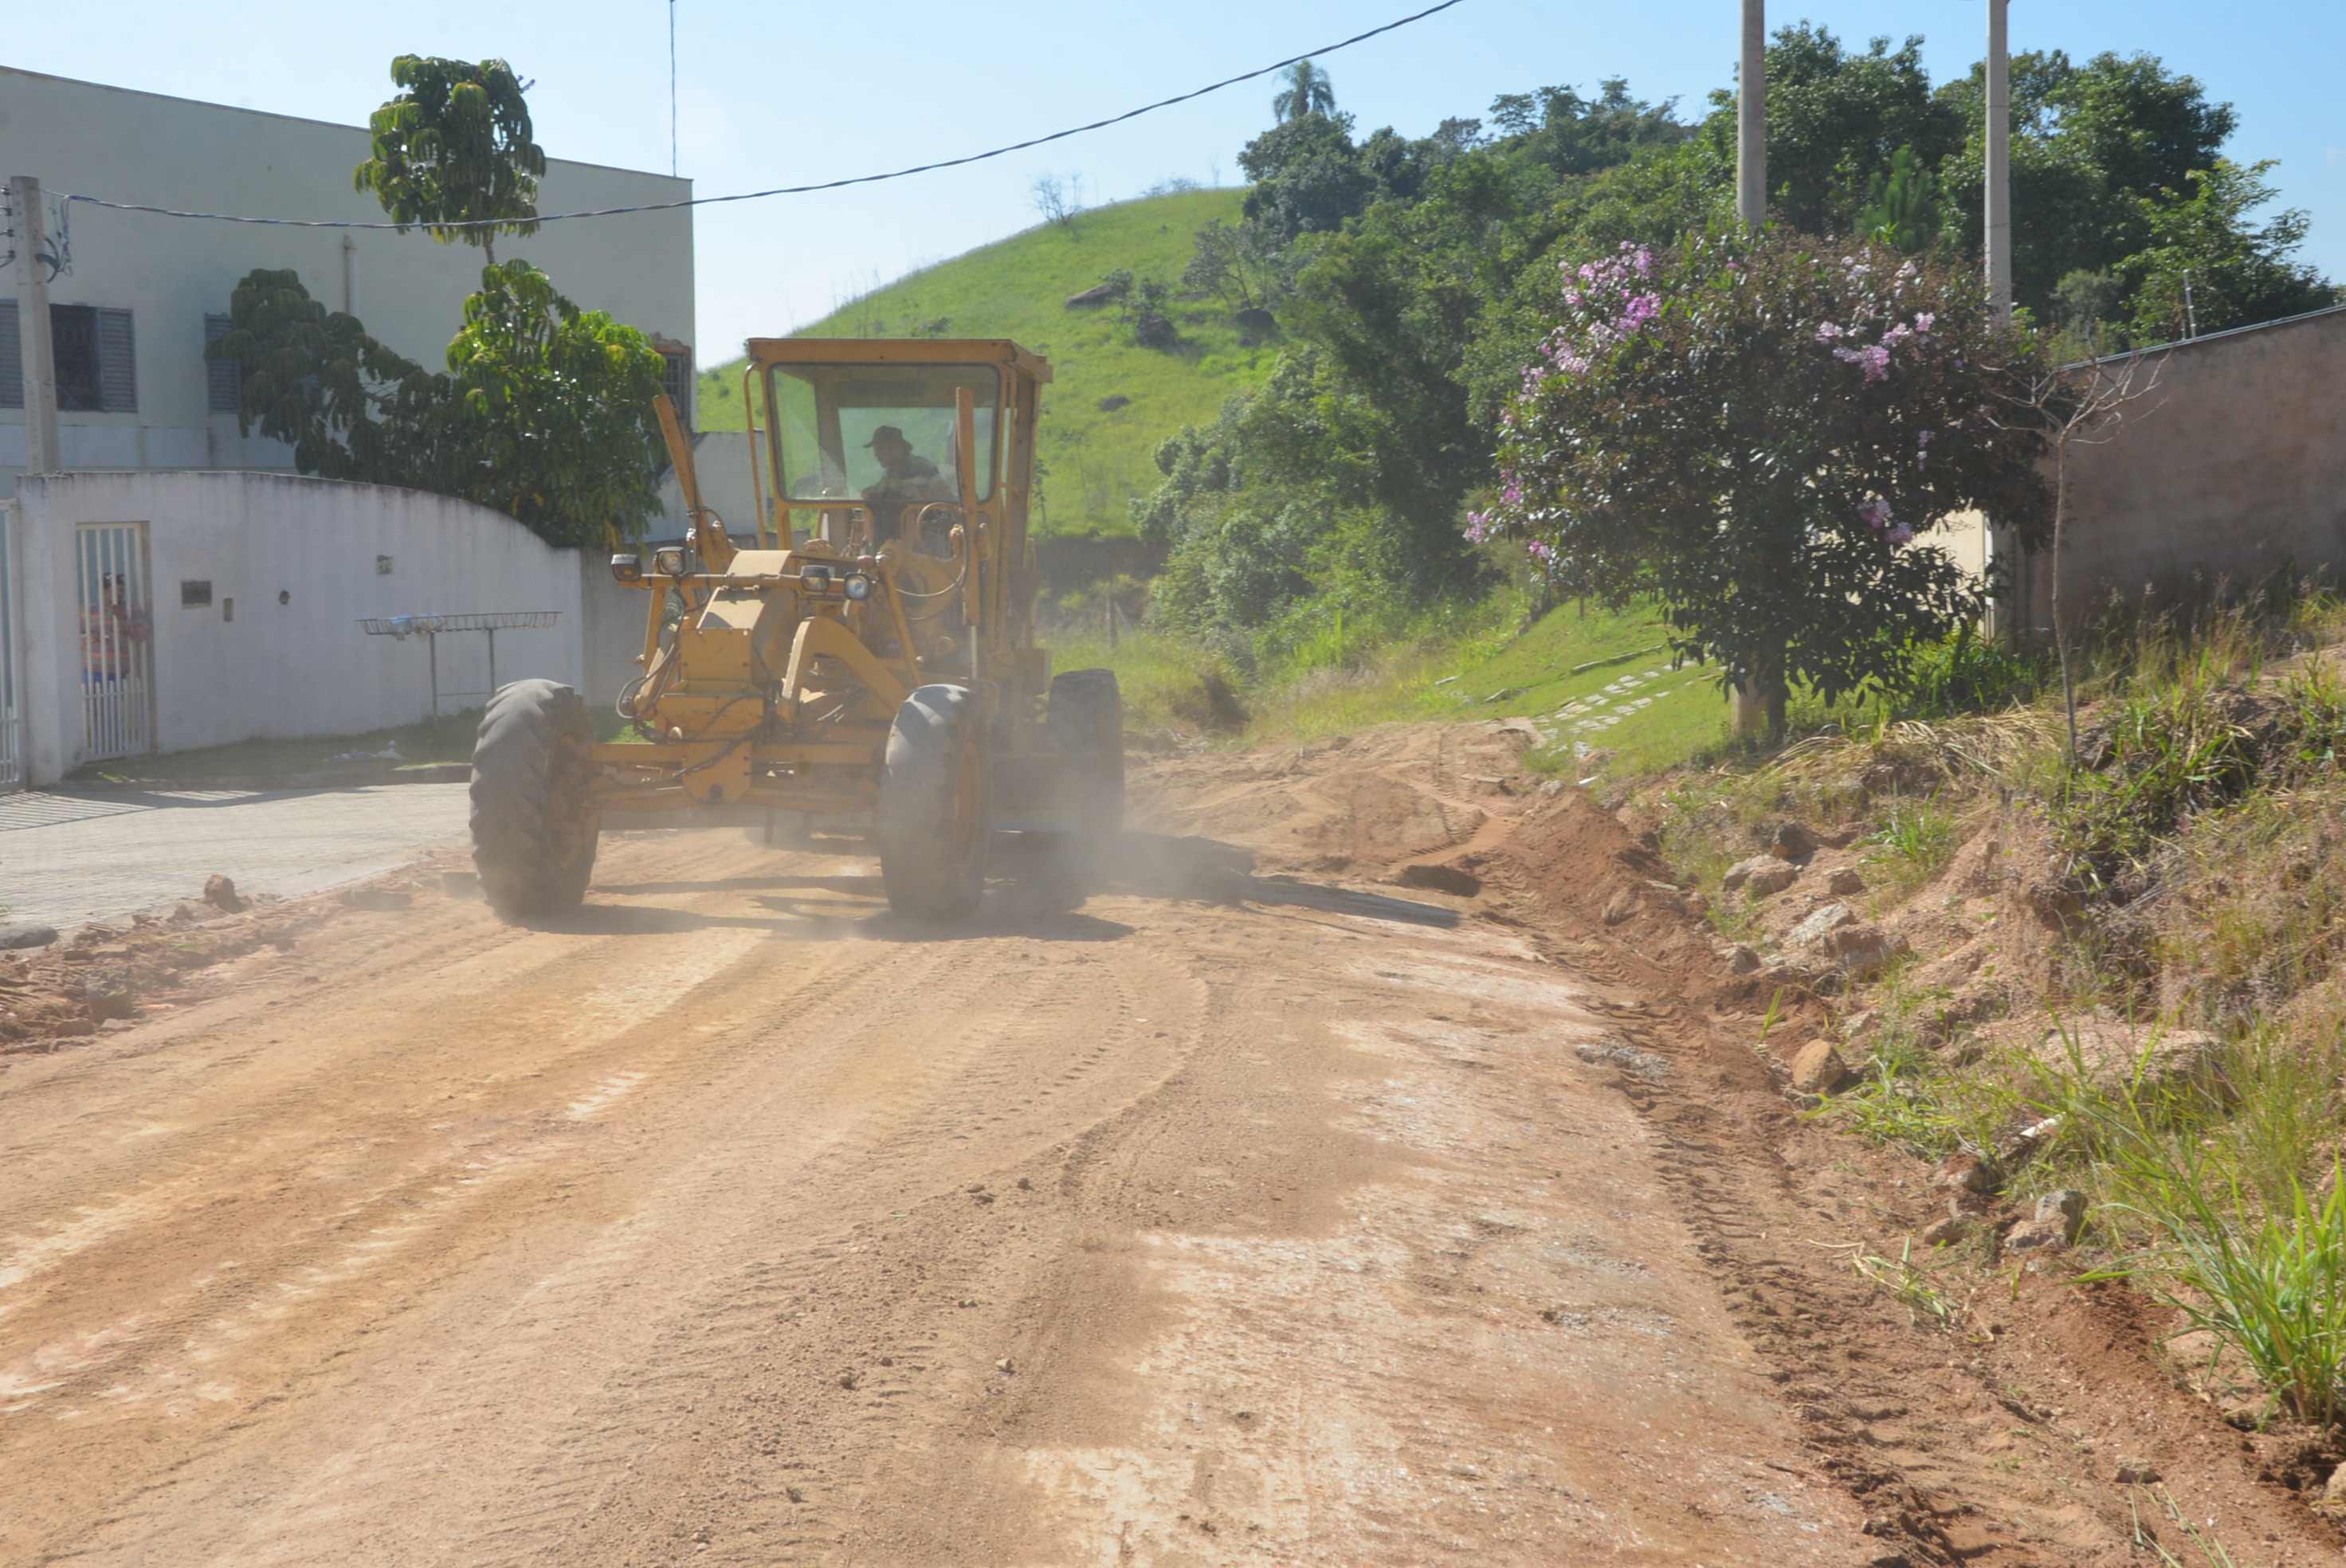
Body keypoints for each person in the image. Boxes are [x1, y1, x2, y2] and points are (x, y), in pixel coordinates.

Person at [859, 425, 955, 545]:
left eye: (879, 449)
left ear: (894, 448)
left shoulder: (922, 467)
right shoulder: (889, 472)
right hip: (906, 528)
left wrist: (879, 489)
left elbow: (910, 493)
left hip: (933, 525)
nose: (876, 455)